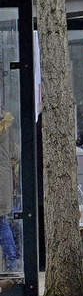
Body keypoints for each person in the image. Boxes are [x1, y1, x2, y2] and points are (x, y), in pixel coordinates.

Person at [0, 110, 19, 272]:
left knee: (1, 223)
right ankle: (11, 260)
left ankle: (11, 260)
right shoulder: (6, 130)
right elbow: (16, 153)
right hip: (4, 183)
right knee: (2, 221)